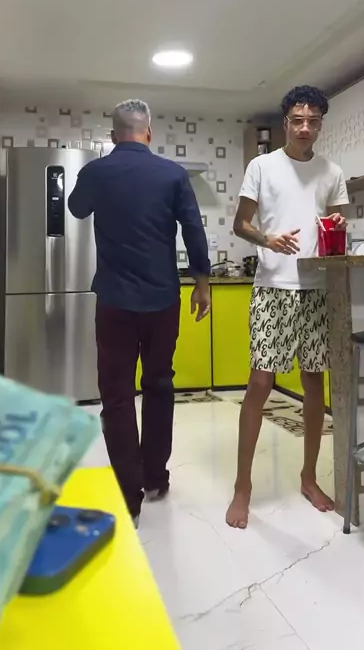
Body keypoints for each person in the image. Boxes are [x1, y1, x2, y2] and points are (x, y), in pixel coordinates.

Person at [68, 99, 211, 525]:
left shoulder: (96, 171)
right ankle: (154, 477)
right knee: (160, 384)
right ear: (149, 133)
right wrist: (202, 283)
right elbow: (194, 228)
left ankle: (128, 496)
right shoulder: (173, 174)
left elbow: (75, 208)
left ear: (113, 135)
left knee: (116, 394)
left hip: (114, 300)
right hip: (163, 299)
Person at [226, 85, 349, 530]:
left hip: (317, 289)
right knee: (261, 381)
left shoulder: (332, 172)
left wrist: (338, 227)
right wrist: (268, 239)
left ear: (320, 125)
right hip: (273, 287)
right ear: (285, 123)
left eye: (312, 121)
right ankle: (243, 487)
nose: (304, 128)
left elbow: (337, 226)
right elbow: (240, 224)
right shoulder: (262, 166)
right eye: (297, 120)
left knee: (315, 382)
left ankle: (309, 477)